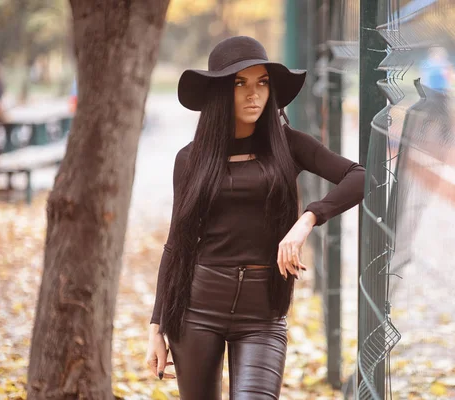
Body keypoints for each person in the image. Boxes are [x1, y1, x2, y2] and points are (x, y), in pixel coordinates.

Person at [144, 36, 365, 399]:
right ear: (219, 92)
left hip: (262, 315)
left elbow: (360, 176)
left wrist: (307, 219)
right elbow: (177, 244)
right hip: (196, 310)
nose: (254, 94)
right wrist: (157, 327)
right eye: (240, 83)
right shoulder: (190, 159)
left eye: (262, 82)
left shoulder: (289, 145)